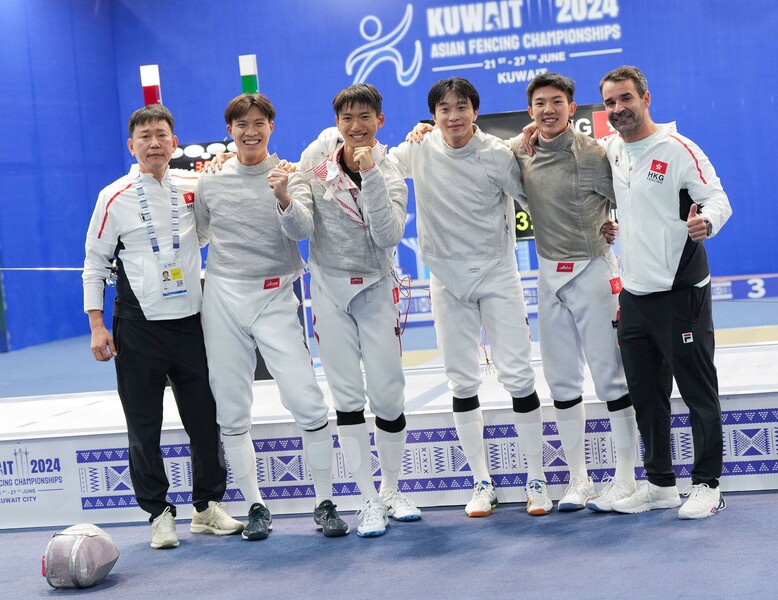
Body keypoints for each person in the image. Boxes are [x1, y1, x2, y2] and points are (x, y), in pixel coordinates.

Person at [388, 77, 551, 517]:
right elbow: (366, 162)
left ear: (474, 111)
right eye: (444, 109)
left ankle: (536, 478)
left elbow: (536, 200)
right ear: (433, 115)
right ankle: (482, 483)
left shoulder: (497, 155)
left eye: (461, 107)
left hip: (497, 275)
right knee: (462, 382)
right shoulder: (417, 149)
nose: (453, 116)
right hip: (446, 280)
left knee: (518, 376)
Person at [83, 104, 243, 550]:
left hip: (192, 323)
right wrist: (97, 326)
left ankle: (207, 507)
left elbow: (215, 219)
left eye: (162, 135)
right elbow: (94, 263)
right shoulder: (112, 196)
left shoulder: (195, 185)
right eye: (145, 136)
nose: (154, 143)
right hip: (138, 328)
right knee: (143, 426)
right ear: (131, 146)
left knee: (205, 421)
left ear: (175, 142)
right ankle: (158, 513)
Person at [195, 93, 349, 540]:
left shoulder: (290, 176)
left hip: (276, 294)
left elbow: (302, 230)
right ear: (230, 131)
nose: (250, 131)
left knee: (306, 399)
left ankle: (324, 502)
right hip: (222, 296)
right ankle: (255, 506)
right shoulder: (211, 182)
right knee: (231, 407)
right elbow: (201, 232)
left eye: (259, 123)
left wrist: (282, 197)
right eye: (241, 125)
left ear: (271, 126)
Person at [280, 84, 421, 537]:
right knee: (346, 398)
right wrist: (284, 198)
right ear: (337, 124)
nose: (356, 126)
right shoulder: (316, 163)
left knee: (388, 394)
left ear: (380, 120)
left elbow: (387, 237)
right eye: (347, 119)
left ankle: (392, 490)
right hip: (329, 289)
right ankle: (365, 500)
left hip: (377, 287)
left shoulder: (393, 172)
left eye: (365, 117)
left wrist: (372, 176)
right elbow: (301, 227)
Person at [597, 66, 732, 519]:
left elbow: (717, 199)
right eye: (611, 103)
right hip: (633, 296)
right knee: (646, 395)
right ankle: (659, 484)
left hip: (679, 291)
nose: (618, 109)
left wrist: (705, 223)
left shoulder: (679, 149)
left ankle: (708, 484)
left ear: (646, 98)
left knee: (698, 392)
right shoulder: (612, 148)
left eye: (626, 99)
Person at [508, 73, 638, 512]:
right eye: (540, 104)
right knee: (561, 381)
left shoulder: (595, 154)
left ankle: (626, 476)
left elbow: (632, 197)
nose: (548, 110)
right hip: (549, 276)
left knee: (610, 377)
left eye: (557, 102)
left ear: (571, 107)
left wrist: (613, 225)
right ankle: (578, 480)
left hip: (593, 272)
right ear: (530, 112)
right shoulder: (519, 152)